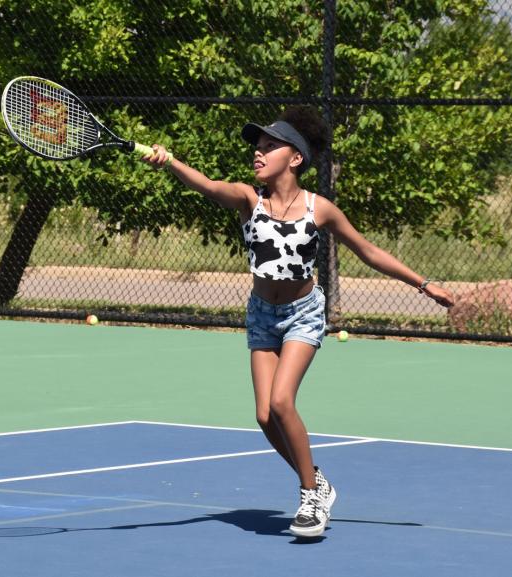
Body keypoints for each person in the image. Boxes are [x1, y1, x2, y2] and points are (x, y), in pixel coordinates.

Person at [141, 106, 455, 538]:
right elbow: (209, 186)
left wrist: (424, 284)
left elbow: (369, 251)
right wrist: (171, 161)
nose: (259, 152)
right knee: (265, 416)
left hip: (303, 314)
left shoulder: (318, 209)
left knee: (283, 402)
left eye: (270, 146)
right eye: (258, 145)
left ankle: (311, 496)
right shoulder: (249, 199)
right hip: (262, 315)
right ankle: (319, 480)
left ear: (295, 158)